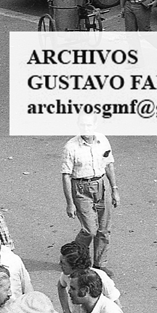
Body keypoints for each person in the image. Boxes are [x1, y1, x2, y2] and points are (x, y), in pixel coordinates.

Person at [61, 115, 118, 268]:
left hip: (102, 185)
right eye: (82, 125)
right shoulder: (71, 147)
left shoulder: (102, 140)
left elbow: (109, 165)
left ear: (95, 125)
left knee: (104, 229)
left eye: (89, 125)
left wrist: (114, 189)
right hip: (81, 188)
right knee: (90, 230)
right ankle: (73, 256)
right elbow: (66, 176)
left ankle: (100, 264)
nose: (86, 129)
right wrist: (70, 203)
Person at [55, 242, 120, 313]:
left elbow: (115, 303)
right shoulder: (66, 275)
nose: (59, 265)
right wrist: (66, 312)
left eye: (63, 263)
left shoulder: (100, 277)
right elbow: (61, 286)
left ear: (75, 266)